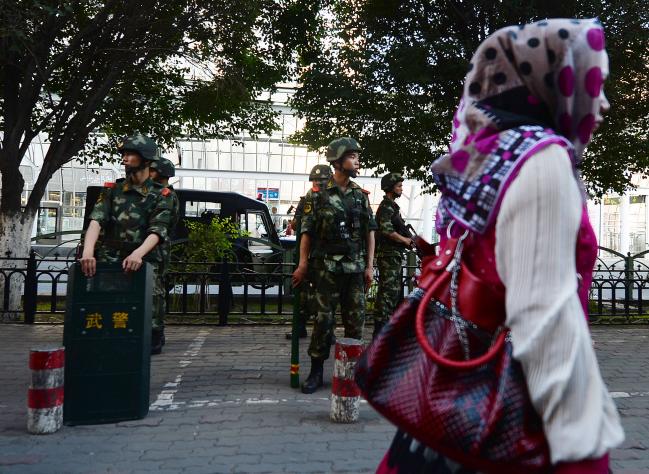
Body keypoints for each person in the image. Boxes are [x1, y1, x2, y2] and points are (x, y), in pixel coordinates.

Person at [378, 19, 624, 473]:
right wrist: (582, 441)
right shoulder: (542, 159)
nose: (603, 101)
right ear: (553, 82)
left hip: (459, 387)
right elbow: (545, 315)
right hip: (516, 408)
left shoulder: (487, 154)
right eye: (593, 82)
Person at [292, 138, 377, 394]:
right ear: (338, 162)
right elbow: (306, 232)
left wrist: (370, 266)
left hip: (354, 269)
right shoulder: (317, 196)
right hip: (326, 269)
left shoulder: (360, 196)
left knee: (355, 322)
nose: (357, 161)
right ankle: (316, 372)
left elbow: (369, 233)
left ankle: (353, 374)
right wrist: (302, 264)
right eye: (352, 156)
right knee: (322, 322)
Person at [79, 133, 174, 355]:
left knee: (149, 311)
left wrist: (138, 255)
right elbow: (96, 220)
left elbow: (158, 230)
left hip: (143, 259)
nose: (124, 159)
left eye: (130, 154)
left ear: (145, 158)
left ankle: (152, 334)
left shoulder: (162, 195)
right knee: (107, 313)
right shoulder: (112, 190)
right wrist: (88, 251)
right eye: (123, 154)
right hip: (111, 258)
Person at [285, 164, 333, 340]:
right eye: (315, 180)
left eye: (321, 181)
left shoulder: (336, 197)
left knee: (328, 294)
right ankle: (300, 327)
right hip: (309, 253)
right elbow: (296, 225)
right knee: (302, 292)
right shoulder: (307, 198)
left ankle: (328, 331)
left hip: (328, 255)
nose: (317, 184)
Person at [373, 172, 412, 338]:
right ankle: (379, 331)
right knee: (387, 292)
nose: (401, 189)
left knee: (393, 292)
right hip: (387, 255)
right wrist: (405, 240)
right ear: (390, 188)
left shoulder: (392, 207)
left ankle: (387, 329)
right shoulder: (387, 207)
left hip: (393, 255)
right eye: (399, 186)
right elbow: (386, 230)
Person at [148, 157, 180, 354]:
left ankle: (156, 332)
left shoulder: (167, 196)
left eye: (151, 170)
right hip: (152, 250)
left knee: (155, 293)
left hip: (158, 251)